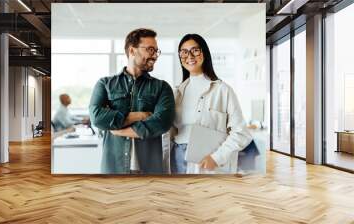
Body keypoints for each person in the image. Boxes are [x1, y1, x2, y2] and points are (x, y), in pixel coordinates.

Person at [89, 28, 175, 174]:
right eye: (150, 50)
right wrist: (140, 116)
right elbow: (96, 118)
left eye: (156, 51)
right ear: (132, 50)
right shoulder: (105, 84)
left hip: (150, 170)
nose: (155, 55)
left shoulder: (162, 87)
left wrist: (118, 130)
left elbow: (163, 122)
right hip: (114, 169)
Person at [171, 34, 252, 174]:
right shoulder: (176, 93)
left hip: (207, 159)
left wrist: (216, 158)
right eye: (184, 52)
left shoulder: (223, 90)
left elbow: (241, 133)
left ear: (205, 53)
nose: (189, 56)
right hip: (177, 158)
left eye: (195, 50)